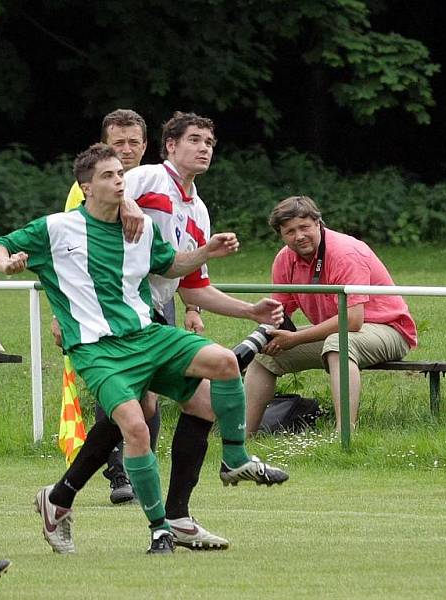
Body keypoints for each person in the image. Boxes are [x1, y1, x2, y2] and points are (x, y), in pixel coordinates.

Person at [0, 143, 266, 554]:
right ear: (86, 187)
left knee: (223, 362)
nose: (119, 180)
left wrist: (206, 252)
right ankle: (160, 529)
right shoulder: (57, 228)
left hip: (147, 336)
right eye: (109, 176)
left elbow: (169, 266)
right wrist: (4, 263)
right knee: (135, 425)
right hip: (97, 350)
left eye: (120, 173)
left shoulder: (141, 227)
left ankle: (233, 461)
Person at [124, 111, 288, 550]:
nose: (204, 147)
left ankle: (175, 516)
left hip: (153, 319)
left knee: (198, 406)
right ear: (170, 146)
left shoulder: (197, 209)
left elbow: (192, 284)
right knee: (136, 415)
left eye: (210, 142)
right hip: (119, 317)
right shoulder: (146, 179)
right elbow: (97, 203)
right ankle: (66, 496)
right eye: (194, 139)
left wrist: (251, 310)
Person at [244, 195, 418, 432]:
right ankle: (243, 438)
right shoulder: (284, 259)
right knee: (262, 356)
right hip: (338, 331)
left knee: (338, 344)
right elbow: (279, 313)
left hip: (389, 330)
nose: (299, 236)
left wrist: (294, 339)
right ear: (281, 235)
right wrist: (268, 335)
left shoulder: (345, 253)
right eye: (290, 231)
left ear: (318, 223)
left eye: (304, 227)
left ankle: (343, 436)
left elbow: (353, 321)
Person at [59, 108, 156, 505]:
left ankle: (137, 464)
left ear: (146, 146)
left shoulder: (153, 183)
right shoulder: (89, 189)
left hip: (147, 302)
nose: (128, 150)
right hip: (99, 309)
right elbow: (64, 254)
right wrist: (56, 312)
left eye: (134, 142)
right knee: (118, 388)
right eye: (119, 143)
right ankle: (119, 471)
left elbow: (172, 246)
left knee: (149, 393)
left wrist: (193, 306)